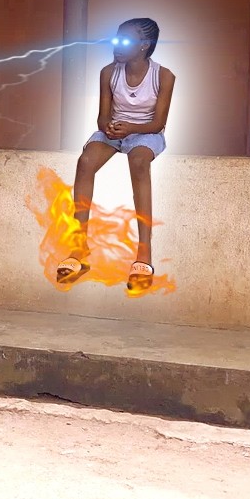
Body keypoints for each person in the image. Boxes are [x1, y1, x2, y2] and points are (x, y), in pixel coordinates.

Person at [55, 18, 175, 294]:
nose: (117, 45)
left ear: (144, 45)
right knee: (85, 161)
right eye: (116, 39)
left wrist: (131, 129)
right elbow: (102, 117)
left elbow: (158, 123)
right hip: (115, 131)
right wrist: (108, 127)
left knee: (139, 161)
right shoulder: (108, 72)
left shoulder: (164, 76)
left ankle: (143, 254)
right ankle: (79, 249)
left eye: (126, 40)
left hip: (145, 132)